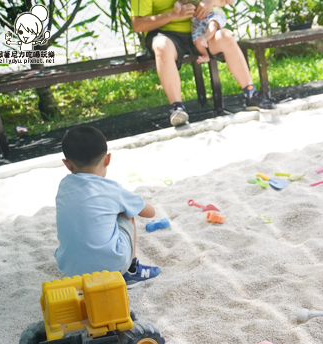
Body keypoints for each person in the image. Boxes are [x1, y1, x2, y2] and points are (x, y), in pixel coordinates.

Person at [130, 0, 275, 127]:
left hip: (201, 29)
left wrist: (210, 1)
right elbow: (138, 25)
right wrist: (173, 15)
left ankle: (251, 93)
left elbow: (228, 0)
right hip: (167, 34)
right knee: (162, 46)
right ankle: (178, 109)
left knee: (226, 36)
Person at [54, 126, 161, 287]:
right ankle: (131, 270)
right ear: (107, 159)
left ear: (67, 164)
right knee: (126, 213)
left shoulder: (64, 186)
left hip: (71, 269)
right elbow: (150, 213)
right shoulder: (112, 189)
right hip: (112, 267)